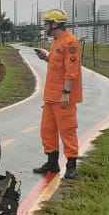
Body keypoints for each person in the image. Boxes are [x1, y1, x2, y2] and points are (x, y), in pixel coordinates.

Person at [33, 9, 83, 180]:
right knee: (47, 130)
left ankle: (71, 165)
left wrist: (66, 92)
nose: (45, 27)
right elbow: (57, 64)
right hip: (50, 96)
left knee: (67, 130)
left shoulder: (71, 43)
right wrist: (45, 58)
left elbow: (72, 71)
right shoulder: (56, 42)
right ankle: (52, 163)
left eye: (47, 23)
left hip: (63, 96)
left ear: (55, 24)